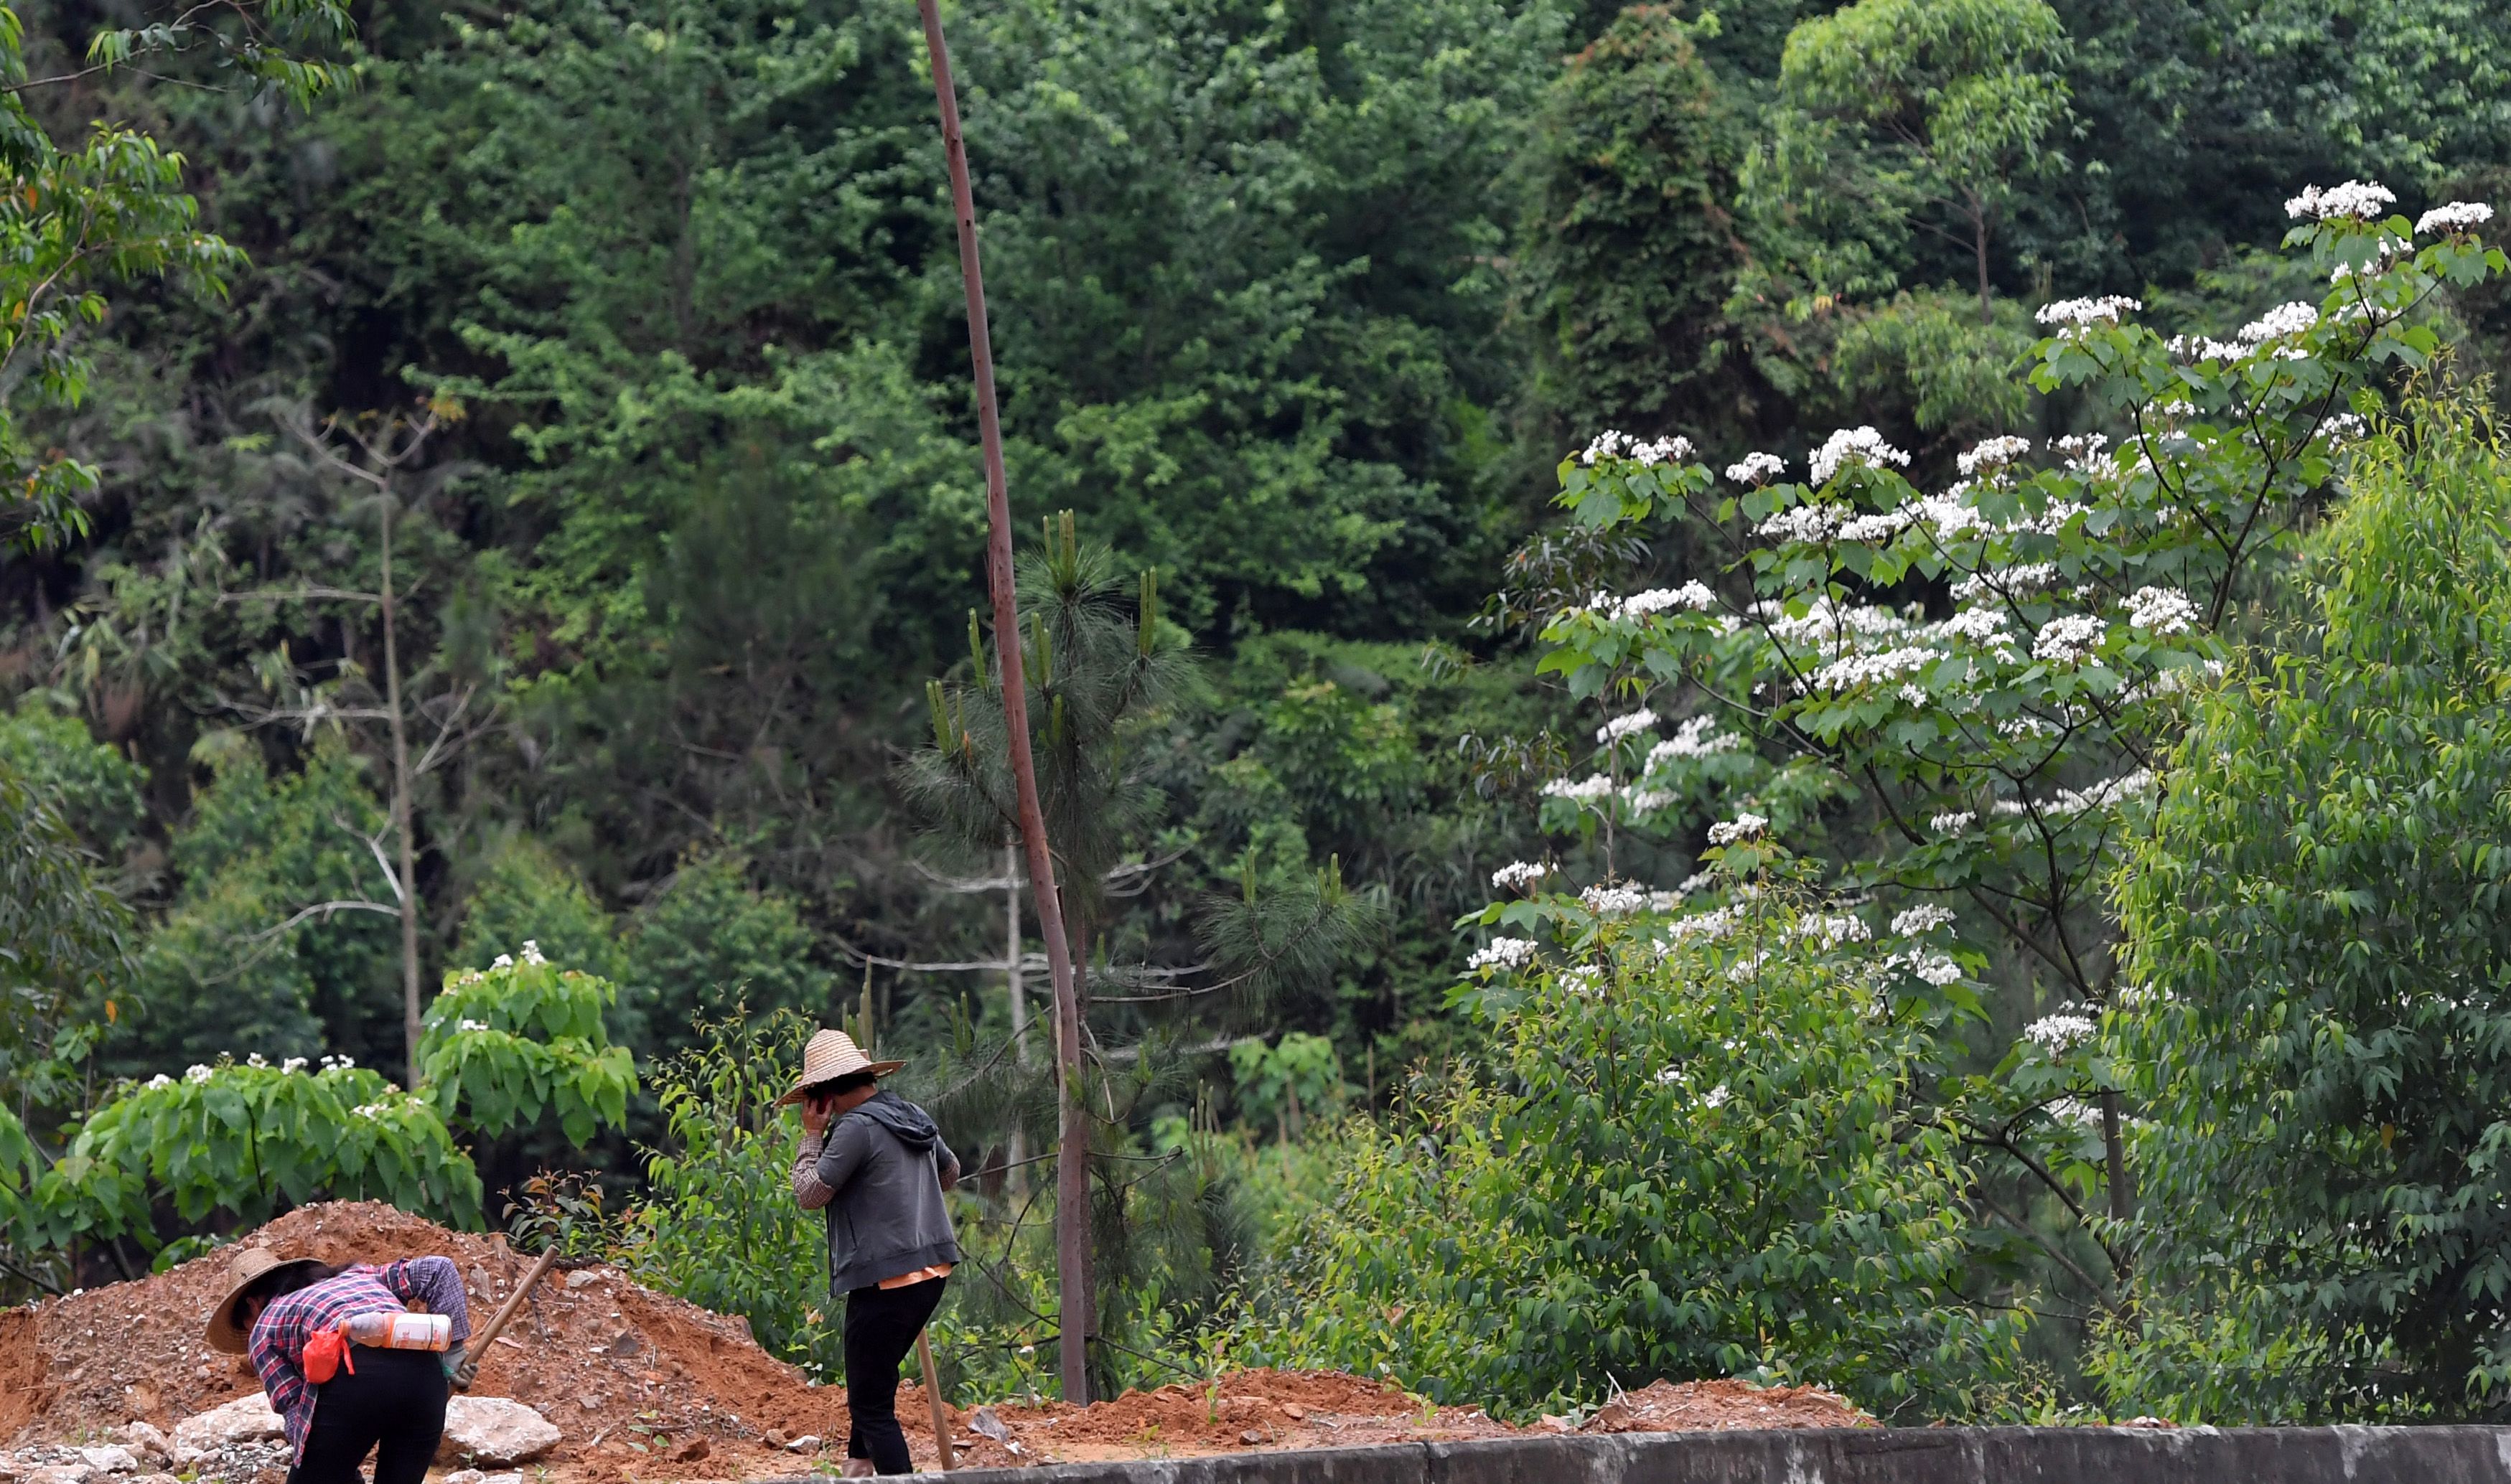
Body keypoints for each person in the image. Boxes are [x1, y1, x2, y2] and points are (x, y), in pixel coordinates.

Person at [784, 1028, 961, 1477]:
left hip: (886, 1282)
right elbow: (951, 1171)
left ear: (823, 1095)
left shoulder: (855, 1130)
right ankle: (858, 1465)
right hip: (931, 1273)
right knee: (873, 1383)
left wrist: (810, 1137)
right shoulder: (911, 1115)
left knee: (872, 1405)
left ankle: (892, 1475)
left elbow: (810, 1193)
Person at [205, 1246, 472, 1484]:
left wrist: (335, 1472)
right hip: (426, 1379)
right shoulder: (359, 1275)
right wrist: (454, 1353)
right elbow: (439, 1268)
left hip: (357, 1377)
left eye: (246, 1326)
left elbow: (297, 1412)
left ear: (252, 1305)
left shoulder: (264, 1328)